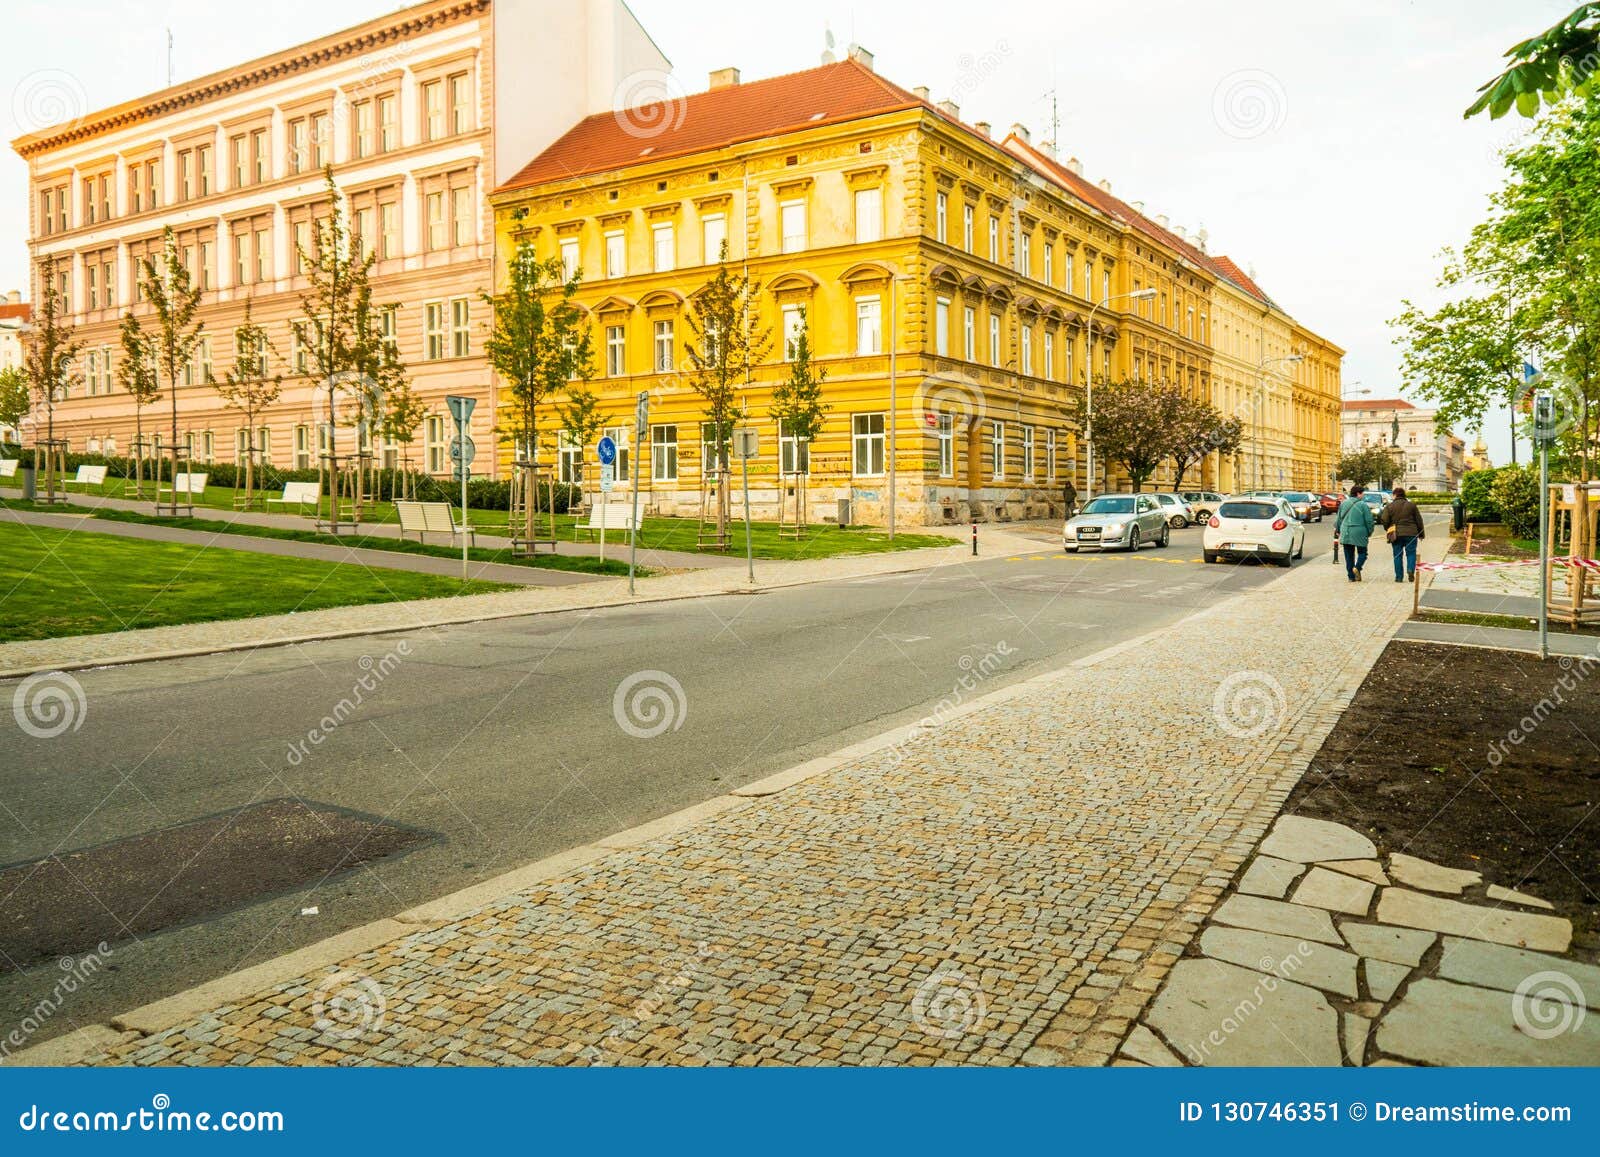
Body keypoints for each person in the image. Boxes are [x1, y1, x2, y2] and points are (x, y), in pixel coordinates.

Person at [1379, 486, 1426, 583]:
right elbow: (1419, 520)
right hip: (1411, 533)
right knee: (1411, 553)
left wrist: (1388, 529)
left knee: (1397, 555)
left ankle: (1399, 577)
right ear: (1404, 495)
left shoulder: (1389, 506)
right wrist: (1421, 534)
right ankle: (1410, 570)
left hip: (1396, 534)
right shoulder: (1411, 505)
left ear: (1395, 495)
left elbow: (1384, 519)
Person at [1335, 485, 1375, 582]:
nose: (1363, 496)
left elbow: (1339, 519)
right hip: (1359, 532)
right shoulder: (1363, 505)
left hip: (1346, 532)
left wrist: (1338, 530)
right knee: (1363, 553)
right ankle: (1357, 567)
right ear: (1358, 494)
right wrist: (1369, 532)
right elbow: (1369, 521)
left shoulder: (1344, 503)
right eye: (1362, 494)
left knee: (1348, 555)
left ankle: (1351, 577)